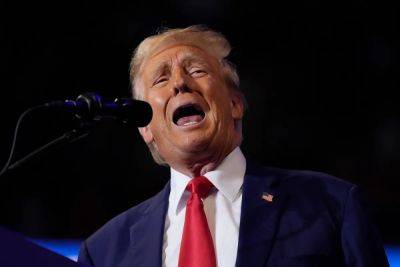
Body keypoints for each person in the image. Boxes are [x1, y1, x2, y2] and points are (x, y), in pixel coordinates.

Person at [77, 25, 389, 267]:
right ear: (145, 129)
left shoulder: (331, 206)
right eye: (160, 80)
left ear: (235, 104)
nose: (179, 83)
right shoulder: (106, 251)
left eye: (197, 70)